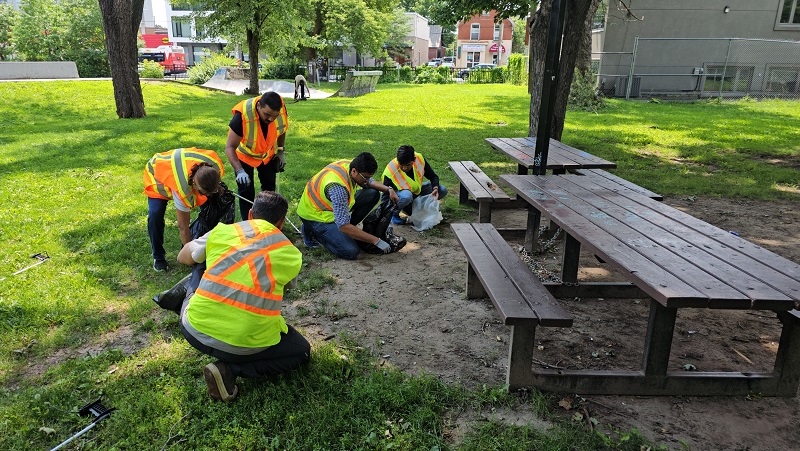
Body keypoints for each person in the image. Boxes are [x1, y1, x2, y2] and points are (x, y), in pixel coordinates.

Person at [162, 191, 309, 402]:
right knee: (301, 352)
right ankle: (230, 369)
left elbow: (183, 256)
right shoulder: (292, 254)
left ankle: (181, 297)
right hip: (248, 344)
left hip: (194, 329)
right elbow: (282, 291)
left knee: (200, 262)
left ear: (250, 214)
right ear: (281, 222)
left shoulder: (223, 232)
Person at [296, 152, 400, 260]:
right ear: (354, 171)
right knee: (350, 251)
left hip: (330, 208)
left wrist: (389, 190)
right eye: (366, 178)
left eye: (369, 177)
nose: (368, 181)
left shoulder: (350, 165)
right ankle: (314, 232)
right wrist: (376, 240)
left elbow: (368, 181)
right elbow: (343, 225)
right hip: (316, 216)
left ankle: (349, 229)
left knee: (373, 194)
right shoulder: (338, 188)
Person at [143, 147, 224, 272]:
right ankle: (158, 257)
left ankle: (207, 243)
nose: (207, 195)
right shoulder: (182, 189)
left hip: (178, 163)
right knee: (155, 214)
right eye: (204, 192)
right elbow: (183, 227)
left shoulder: (213, 168)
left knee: (211, 204)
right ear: (194, 184)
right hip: (157, 175)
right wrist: (190, 258)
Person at [225, 91, 288, 221]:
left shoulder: (279, 110)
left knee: (269, 190)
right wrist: (239, 170)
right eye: (267, 114)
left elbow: (281, 129)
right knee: (246, 191)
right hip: (245, 157)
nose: (270, 119)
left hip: (266, 155)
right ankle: (248, 225)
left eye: (274, 117)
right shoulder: (242, 116)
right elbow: (229, 147)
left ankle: (269, 221)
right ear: (259, 106)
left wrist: (280, 150)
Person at [381, 145, 448, 225]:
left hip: (416, 192)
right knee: (407, 195)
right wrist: (386, 212)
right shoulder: (390, 170)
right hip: (402, 198)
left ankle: (416, 209)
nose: (404, 168)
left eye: (408, 165)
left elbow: (433, 176)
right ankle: (394, 214)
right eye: (401, 165)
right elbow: (385, 196)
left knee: (442, 190)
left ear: (414, 160)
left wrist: (435, 189)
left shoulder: (419, 159)